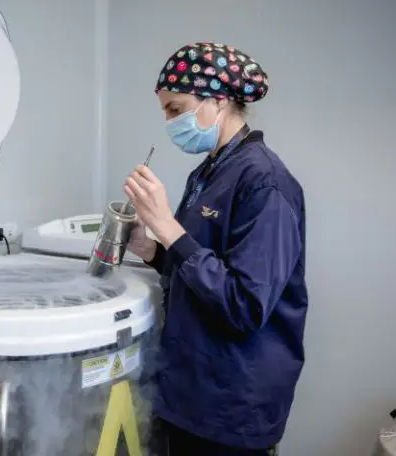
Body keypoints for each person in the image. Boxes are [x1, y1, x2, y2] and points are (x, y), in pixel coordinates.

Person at [124, 42, 308, 456]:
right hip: (191, 388)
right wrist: (152, 249)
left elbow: (245, 304)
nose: (170, 122)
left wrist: (167, 225)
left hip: (232, 403)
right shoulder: (207, 174)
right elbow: (199, 264)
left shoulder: (266, 183)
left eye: (176, 109)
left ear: (218, 101)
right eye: (165, 112)